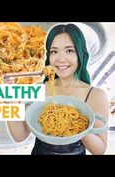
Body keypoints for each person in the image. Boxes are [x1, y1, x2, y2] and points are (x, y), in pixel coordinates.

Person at [7, 23, 109, 155]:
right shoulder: (40, 89)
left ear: (81, 54)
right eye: (54, 51)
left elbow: (99, 150)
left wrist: (77, 124)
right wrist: (9, 101)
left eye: (69, 51)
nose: (60, 59)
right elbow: (19, 136)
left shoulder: (96, 95)